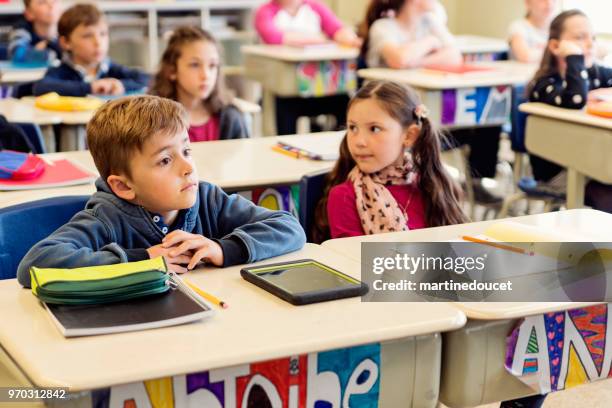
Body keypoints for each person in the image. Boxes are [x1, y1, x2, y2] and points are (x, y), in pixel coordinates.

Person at [17, 96, 306, 287]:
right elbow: (35, 264)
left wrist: (223, 248)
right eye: (166, 160)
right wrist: (143, 259)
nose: (188, 167)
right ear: (123, 186)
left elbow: (289, 227)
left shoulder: (208, 199)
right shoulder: (107, 217)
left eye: (187, 150)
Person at [360, 0, 502, 203]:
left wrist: (416, 60)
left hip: (424, 107)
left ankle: (476, 183)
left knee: (486, 122)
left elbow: (454, 56)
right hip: (391, 112)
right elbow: (399, 59)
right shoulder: (384, 26)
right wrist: (431, 43)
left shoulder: (430, 21)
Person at [314, 80, 467, 242]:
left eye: (374, 129)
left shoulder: (434, 187)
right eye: (353, 127)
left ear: (409, 136)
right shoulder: (344, 197)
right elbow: (353, 263)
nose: (359, 141)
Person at [526, 9, 612, 213]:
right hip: (561, 172)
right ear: (555, 46)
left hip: (598, 163)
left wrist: (603, 93)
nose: (590, 44)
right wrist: (575, 58)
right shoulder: (543, 84)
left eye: (592, 37)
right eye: (580, 38)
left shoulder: (598, 75)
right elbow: (574, 99)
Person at [254, 0, 361, 135]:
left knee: (345, 101)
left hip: (319, 83)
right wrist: (319, 38)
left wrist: (348, 37)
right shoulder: (265, 11)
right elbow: (273, 37)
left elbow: (337, 29)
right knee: (285, 105)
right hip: (284, 86)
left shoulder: (315, 7)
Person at [149, 26, 248, 142]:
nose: (206, 75)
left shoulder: (231, 118)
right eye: (195, 65)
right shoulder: (153, 120)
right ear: (172, 70)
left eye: (212, 65)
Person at [32, 3, 149, 97]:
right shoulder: (61, 71)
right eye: (87, 36)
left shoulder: (110, 68)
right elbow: (41, 87)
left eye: (103, 34)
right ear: (66, 43)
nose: (98, 43)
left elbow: (146, 78)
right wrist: (90, 87)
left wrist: (121, 85)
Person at [8, 0, 62, 65]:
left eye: (54, 1)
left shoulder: (69, 31)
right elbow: (16, 54)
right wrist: (53, 54)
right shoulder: (22, 29)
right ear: (29, 13)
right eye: (42, 2)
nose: (51, 6)